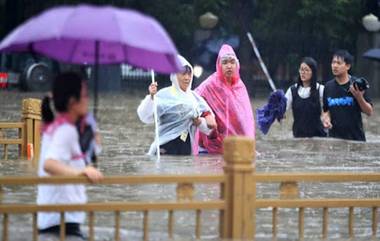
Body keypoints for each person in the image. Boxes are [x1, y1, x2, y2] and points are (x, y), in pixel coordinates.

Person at [38, 72, 103, 239]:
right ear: (72, 102)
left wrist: (92, 134)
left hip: (56, 217)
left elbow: (84, 156)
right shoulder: (65, 131)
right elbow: (49, 164)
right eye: (85, 95)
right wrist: (80, 173)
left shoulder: (57, 126)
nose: (87, 100)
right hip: (61, 221)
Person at [137, 55, 217, 155]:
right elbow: (145, 117)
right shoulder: (164, 95)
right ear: (174, 75)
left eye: (189, 74)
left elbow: (209, 129)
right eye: (183, 74)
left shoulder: (195, 98)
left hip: (186, 147)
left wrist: (199, 121)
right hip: (165, 146)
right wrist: (151, 98)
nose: (187, 78)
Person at [195, 44, 255, 154]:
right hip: (210, 145)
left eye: (232, 62)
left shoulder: (240, 86)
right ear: (219, 65)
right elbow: (194, 100)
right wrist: (206, 114)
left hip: (233, 146)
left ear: (237, 65)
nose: (229, 66)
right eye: (225, 62)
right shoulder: (210, 84)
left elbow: (246, 118)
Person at [322, 50, 373, 141]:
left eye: (339, 63)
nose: (335, 66)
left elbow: (369, 112)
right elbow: (326, 110)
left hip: (356, 139)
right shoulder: (328, 86)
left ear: (348, 66)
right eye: (333, 62)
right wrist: (326, 119)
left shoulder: (357, 84)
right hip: (334, 140)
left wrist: (359, 97)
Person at [285, 57, 326, 138]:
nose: (303, 73)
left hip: (318, 136)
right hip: (298, 135)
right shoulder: (292, 90)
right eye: (301, 69)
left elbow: (328, 109)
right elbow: (283, 108)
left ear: (313, 72)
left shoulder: (321, 89)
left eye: (307, 70)